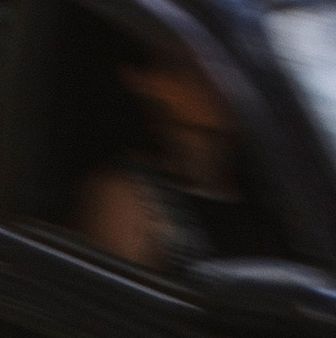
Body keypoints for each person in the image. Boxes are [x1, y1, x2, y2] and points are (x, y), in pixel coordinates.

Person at [72, 39, 282, 273]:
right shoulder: (129, 195)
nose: (213, 85)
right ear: (147, 84)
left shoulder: (278, 198)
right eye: (186, 70)